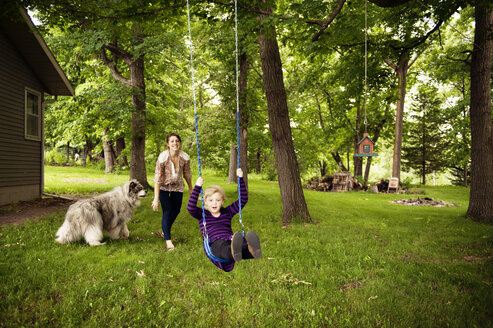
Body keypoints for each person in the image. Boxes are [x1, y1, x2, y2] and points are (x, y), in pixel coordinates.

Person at [187, 168, 261, 272]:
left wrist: (240, 178)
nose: (214, 203)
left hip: (230, 239)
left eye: (218, 200)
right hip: (214, 243)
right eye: (211, 200)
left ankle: (253, 251)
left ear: (222, 201)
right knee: (223, 248)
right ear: (205, 202)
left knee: (241, 246)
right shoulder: (202, 214)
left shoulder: (227, 212)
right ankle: (235, 250)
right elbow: (190, 207)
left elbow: (243, 199)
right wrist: (197, 187)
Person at [152, 133, 193, 250]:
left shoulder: (185, 157)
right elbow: (157, 178)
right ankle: (168, 241)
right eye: (172, 141)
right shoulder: (163, 158)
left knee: (177, 210)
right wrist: (156, 199)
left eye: (177, 141)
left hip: (178, 187)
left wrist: (190, 188)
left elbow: (187, 173)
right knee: (167, 211)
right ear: (168, 144)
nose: (175, 143)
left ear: (179, 143)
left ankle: (166, 230)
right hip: (165, 188)